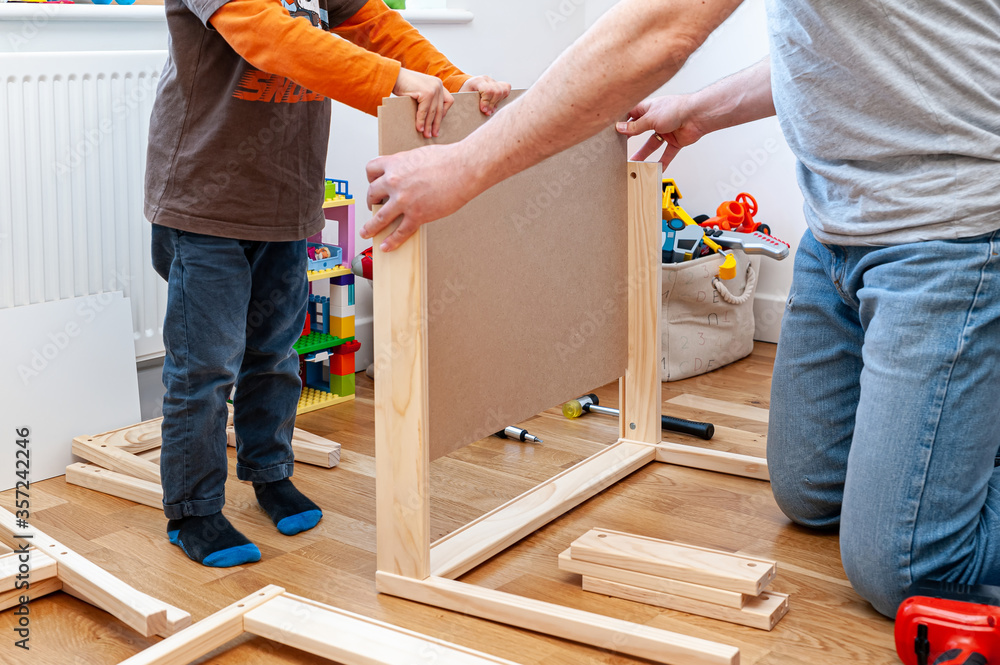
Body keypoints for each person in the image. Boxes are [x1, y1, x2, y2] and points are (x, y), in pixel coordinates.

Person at [361, 0, 1000, 618]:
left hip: (956, 236)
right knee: (810, 493)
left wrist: (466, 166)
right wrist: (701, 109)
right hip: (837, 232)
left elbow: (657, 32)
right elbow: (850, 50)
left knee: (907, 569)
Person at [145, 0, 510, 568]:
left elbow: (373, 24)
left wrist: (456, 85)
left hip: (286, 201)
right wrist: (394, 80)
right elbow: (275, 38)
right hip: (205, 205)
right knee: (205, 368)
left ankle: (269, 474)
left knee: (275, 355)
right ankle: (192, 510)